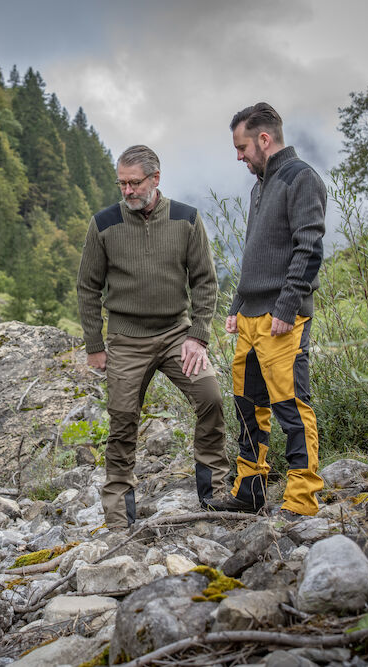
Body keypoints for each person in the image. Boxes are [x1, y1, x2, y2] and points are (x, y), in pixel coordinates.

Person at [76, 144, 230, 533]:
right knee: (123, 420)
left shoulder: (187, 219)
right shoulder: (104, 224)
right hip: (127, 338)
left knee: (210, 398)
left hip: (179, 334)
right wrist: (95, 345)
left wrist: (198, 336)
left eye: (134, 183)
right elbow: (87, 287)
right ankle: (117, 517)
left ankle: (213, 494)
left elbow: (205, 282)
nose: (126, 191)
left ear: (155, 179)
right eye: (121, 183)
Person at [210, 102, 326, 519]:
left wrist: (287, 305)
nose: (238, 156)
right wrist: (237, 303)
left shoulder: (301, 178)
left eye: (242, 147)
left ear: (264, 139)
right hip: (251, 317)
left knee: (291, 405)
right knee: (247, 404)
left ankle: (301, 501)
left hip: (282, 318)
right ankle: (250, 491)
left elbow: (309, 246)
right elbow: (253, 252)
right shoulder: (260, 185)